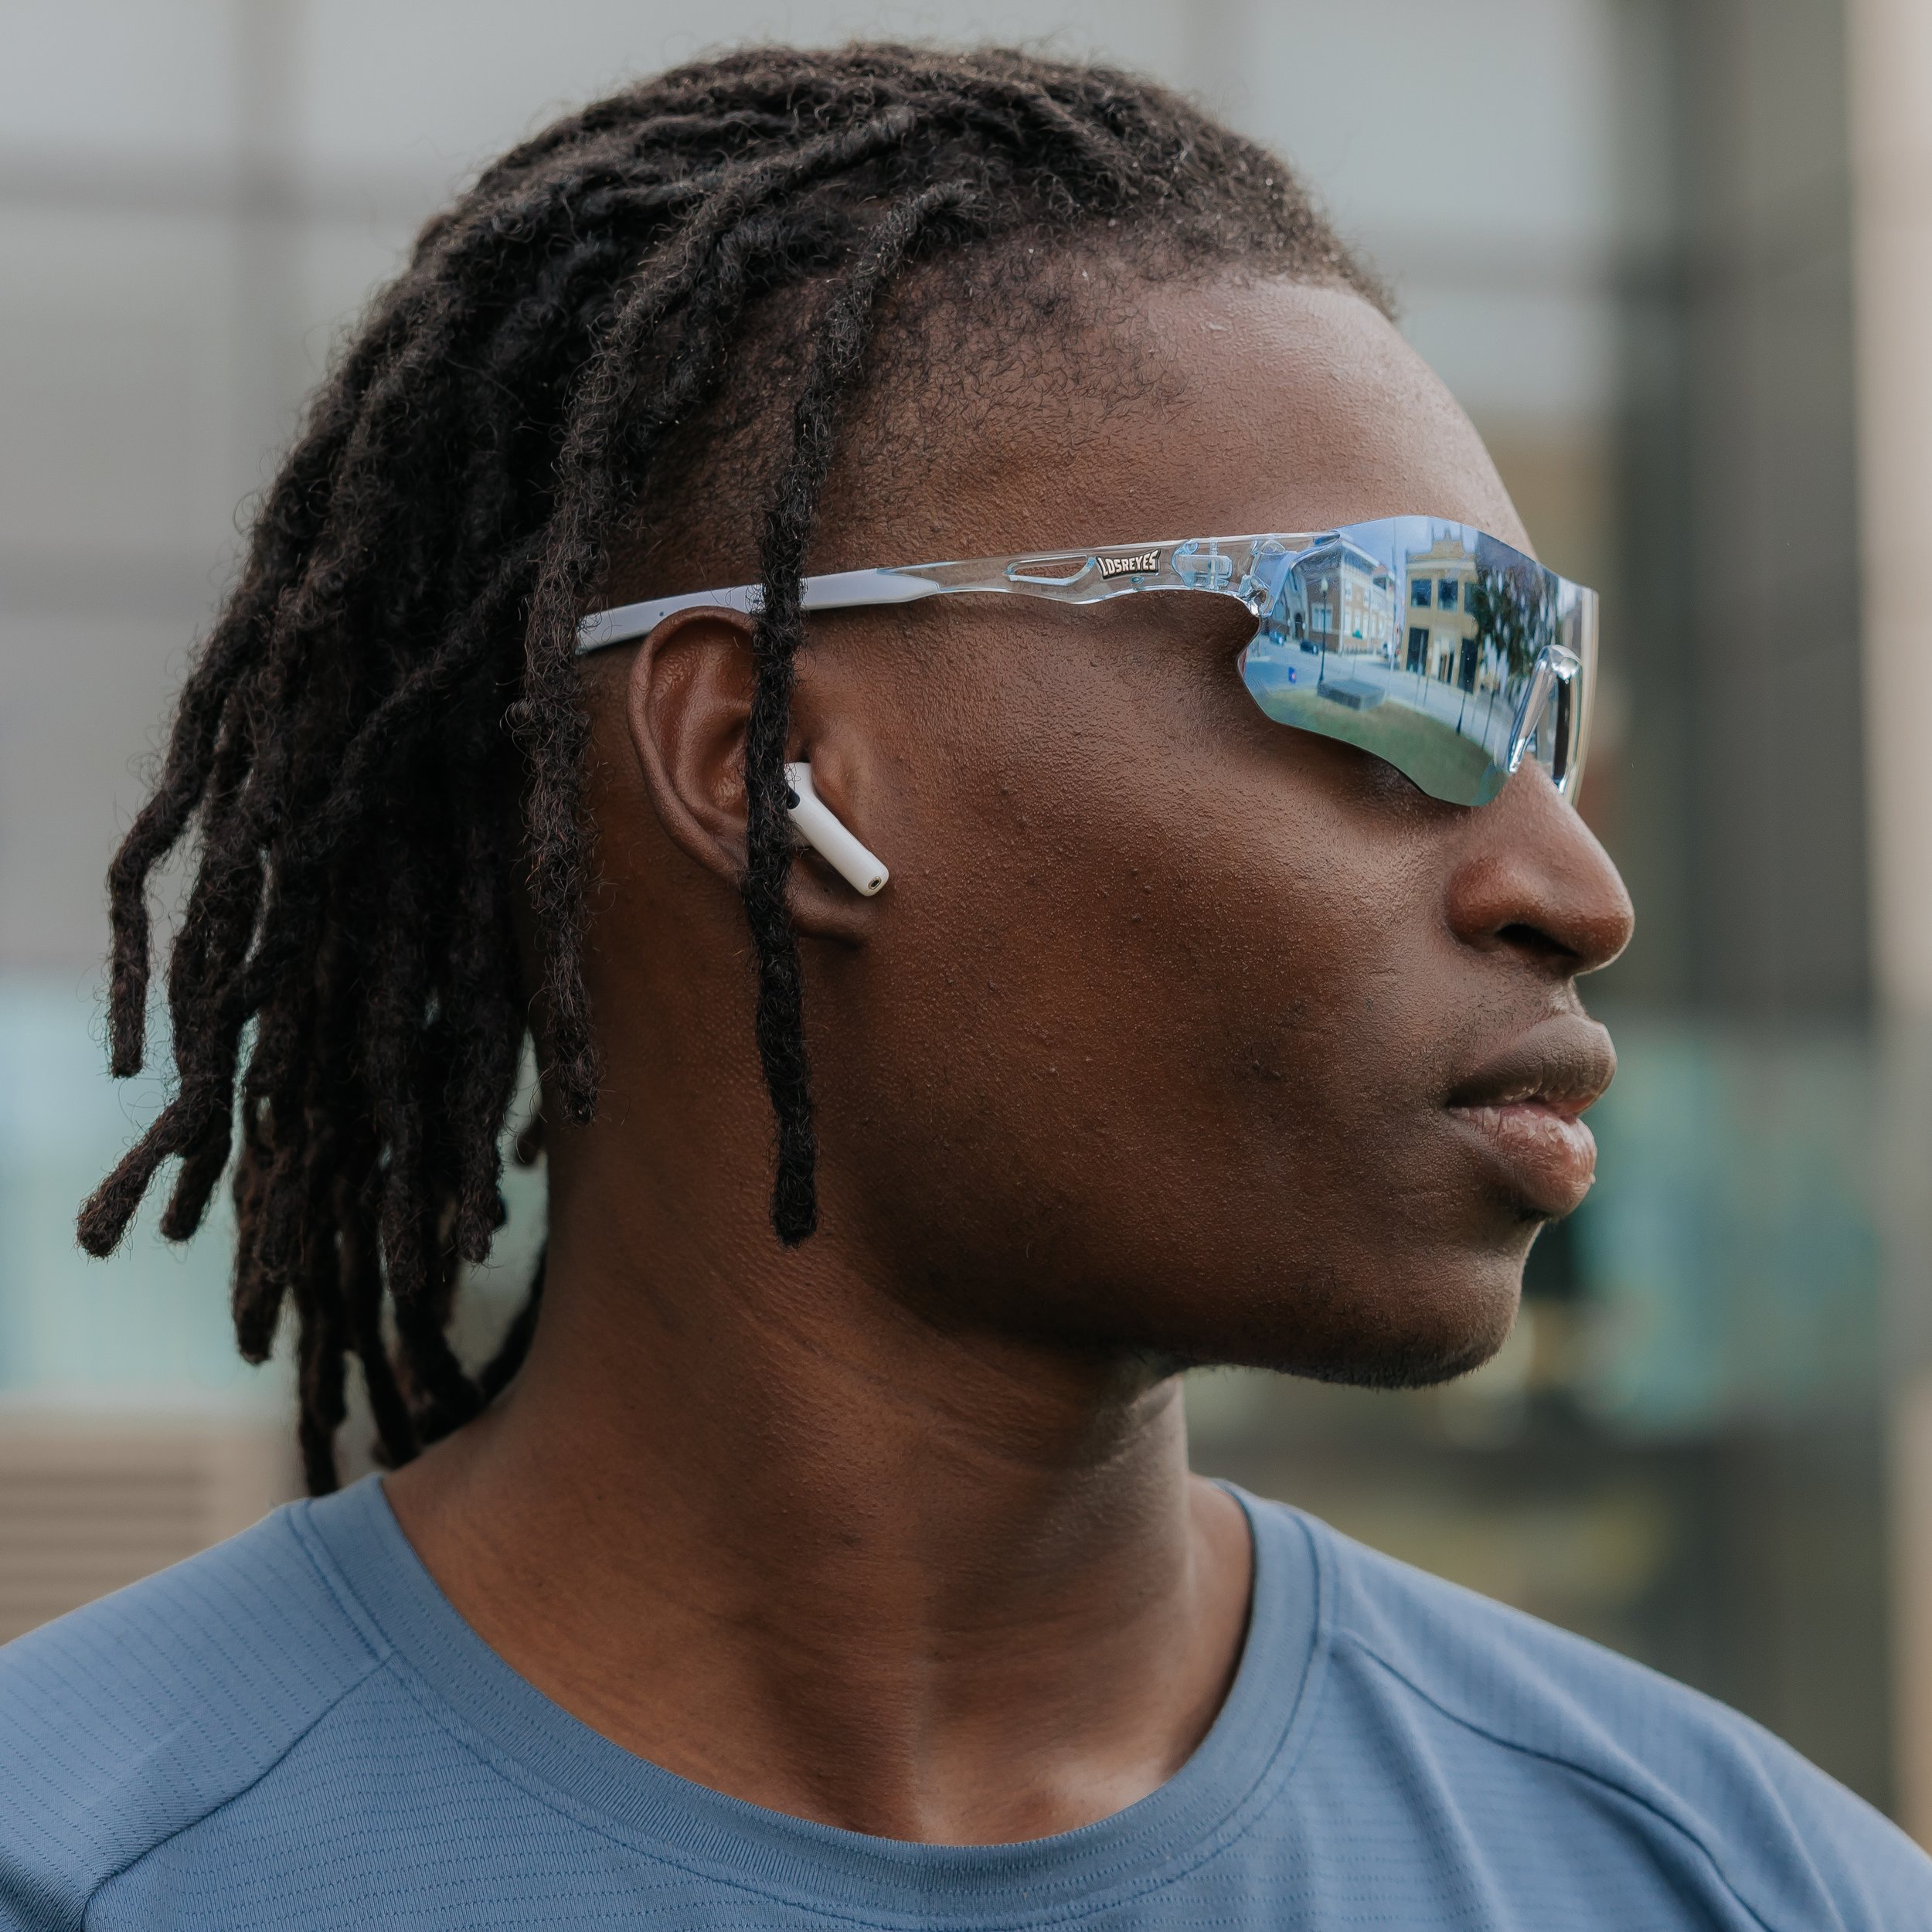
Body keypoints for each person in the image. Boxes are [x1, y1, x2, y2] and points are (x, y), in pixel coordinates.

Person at [2, 43, 1924, 1932]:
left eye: (1537, 702)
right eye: (1391, 669)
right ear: (767, 766)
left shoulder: (1740, 1882)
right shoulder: (90, 1862)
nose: (1572, 886)